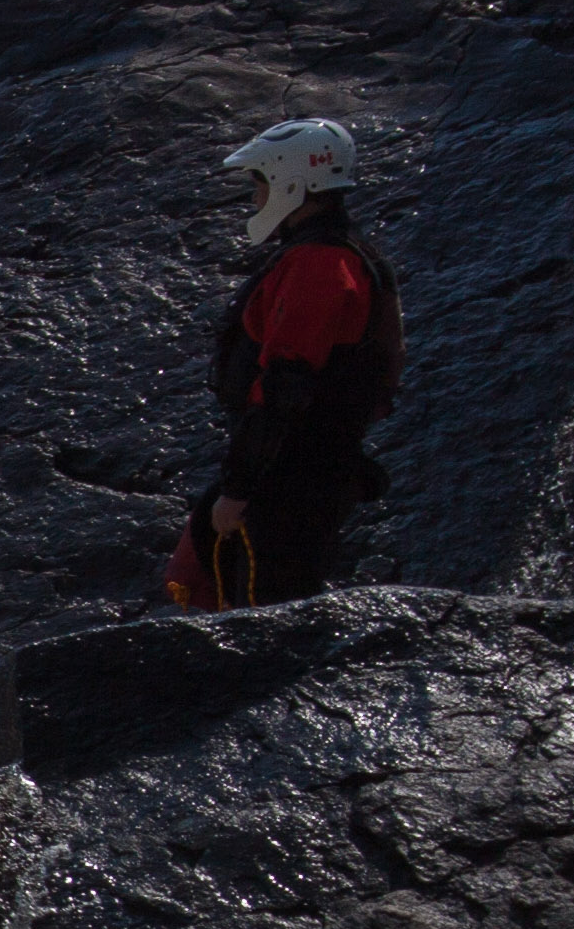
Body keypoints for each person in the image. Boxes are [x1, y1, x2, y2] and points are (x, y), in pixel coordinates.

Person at [168, 122, 403, 616]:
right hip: (299, 470)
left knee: (265, 617)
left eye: (260, 184)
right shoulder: (338, 253)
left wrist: (239, 490)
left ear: (291, 185)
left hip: (290, 479)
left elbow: (285, 383)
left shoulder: (320, 264)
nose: (255, 198)